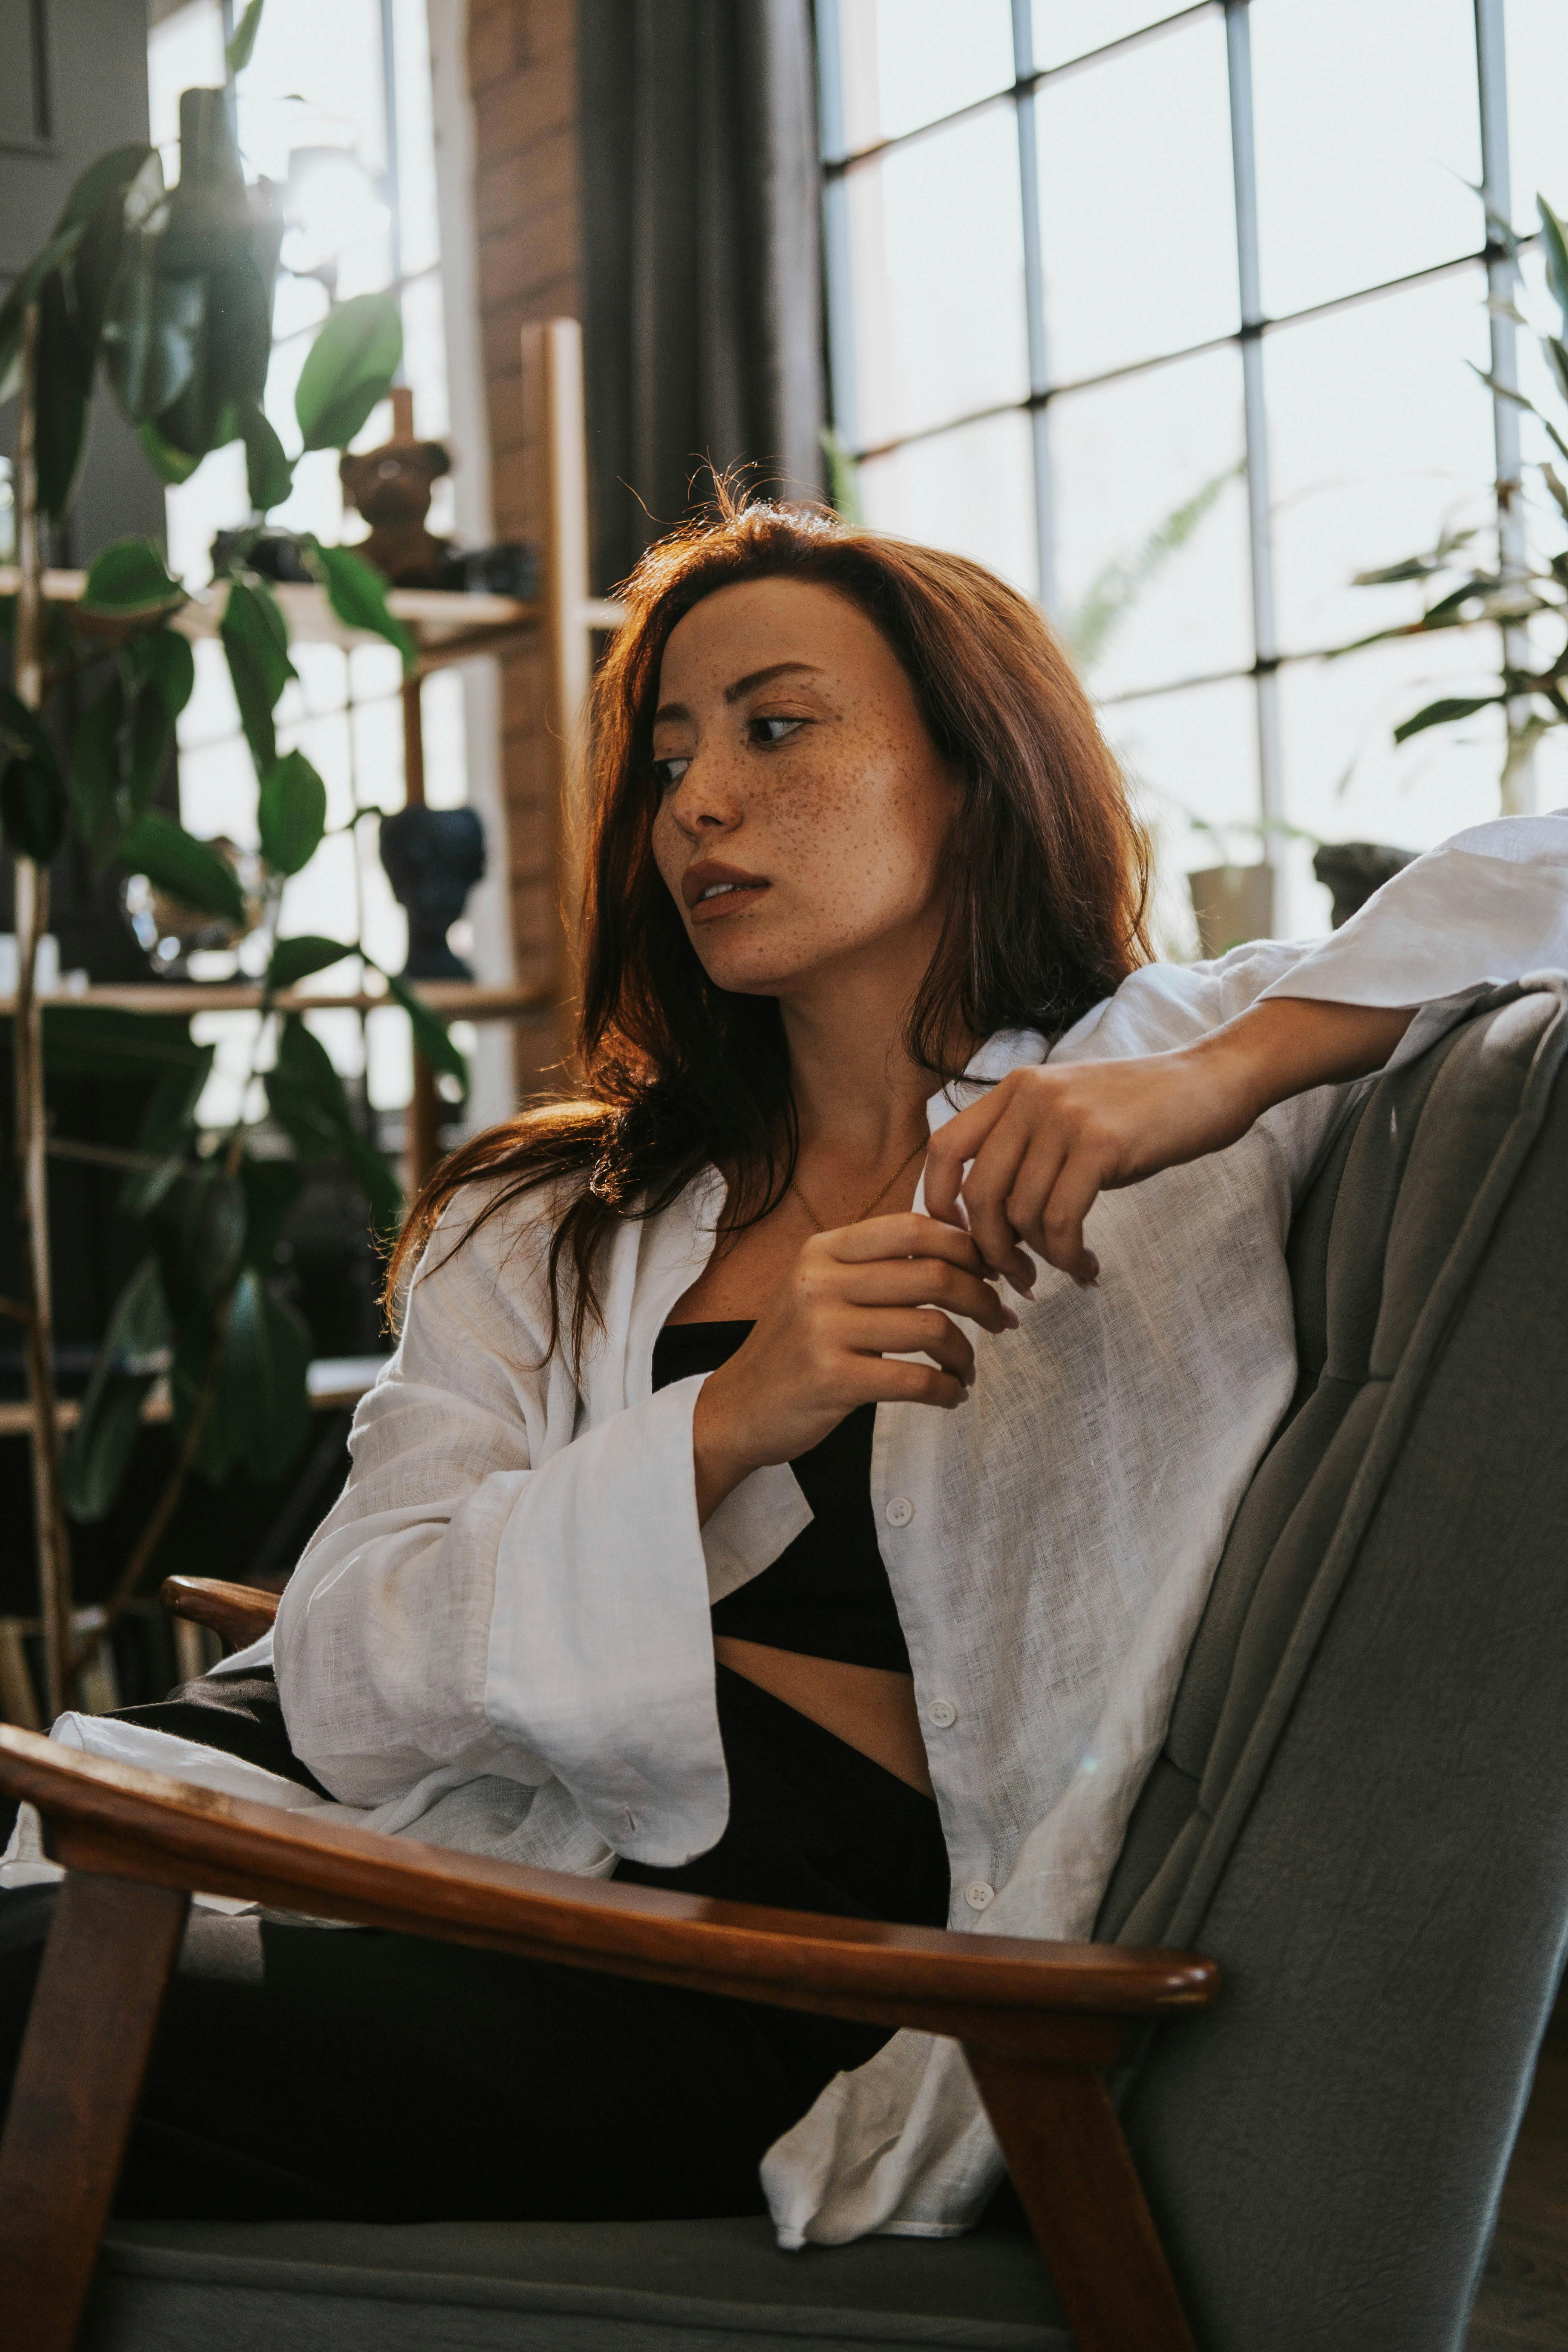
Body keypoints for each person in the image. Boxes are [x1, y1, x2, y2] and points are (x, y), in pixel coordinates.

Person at [3, 497, 1566, 2238]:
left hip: (730, 1963)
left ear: (972, 770)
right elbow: (349, 1670)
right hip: (411, 1827)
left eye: (774, 726)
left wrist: (1217, 1074)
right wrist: (722, 1427)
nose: (695, 800)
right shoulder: (549, 1217)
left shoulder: (1168, 1100)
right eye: (667, 753)